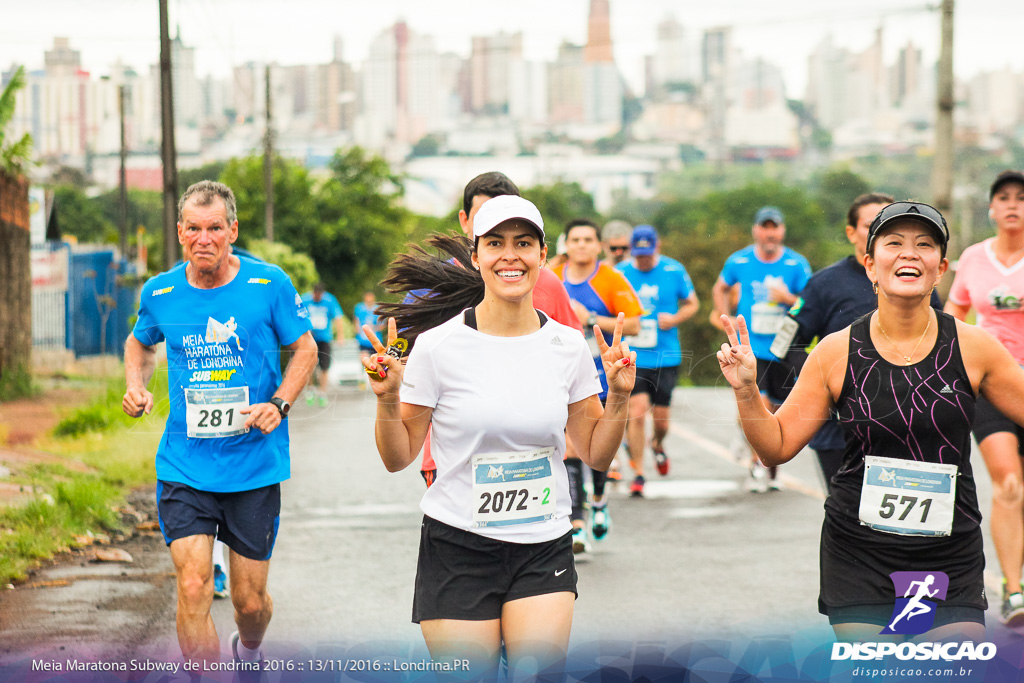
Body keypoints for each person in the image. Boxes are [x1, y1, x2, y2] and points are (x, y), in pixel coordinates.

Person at [718, 200, 1024, 642]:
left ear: (940, 269)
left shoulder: (976, 348)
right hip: (859, 551)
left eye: (924, 245)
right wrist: (747, 390)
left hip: (948, 550)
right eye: (893, 243)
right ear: (870, 265)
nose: (908, 253)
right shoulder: (835, 351)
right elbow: (776, 446)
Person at [363, 194, 634, 678]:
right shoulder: (437, 347)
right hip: (457, 545)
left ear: (543, 256)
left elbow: (595, 452)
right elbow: (397, 456)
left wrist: (617, 397)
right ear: (476, 256)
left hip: (543, 542)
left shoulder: (567, 346)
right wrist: (387, 400)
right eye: (495, 243)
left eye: (523, 243)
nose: (510, 256)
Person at [121, 181, 317, 667]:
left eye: (214, 228)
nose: (203, 239)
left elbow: (306, 349)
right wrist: (136, 385)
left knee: (250, 604)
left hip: (253, 465)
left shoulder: (267, 284)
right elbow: (140, 342)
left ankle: (249, 650)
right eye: (193, 229)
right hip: (185, 464)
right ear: (181, 232)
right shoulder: (161, 291)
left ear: (232, 230)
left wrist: (280, 403)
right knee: (193, 585)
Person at [399, 172, 583, 488]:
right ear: (466, 222)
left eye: (517, 236)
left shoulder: (546, 283)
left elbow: (573, 364)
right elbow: (405, 369)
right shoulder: (432, 287)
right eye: (489, 225)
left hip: (532, 457)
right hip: (454, 457)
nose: (508, 254)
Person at [770, 194, 944, 493]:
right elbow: (785, 345)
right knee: (851, 519)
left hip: (906, 426)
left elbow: (942, 348)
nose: (878, 233)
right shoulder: (824, 284)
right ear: (851, 232)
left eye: (887, 228)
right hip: (839, 433)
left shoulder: (918, 283)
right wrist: (827, 389)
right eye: (869, 226)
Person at [945, 170, 1024, 626]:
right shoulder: (974, 258)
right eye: (1003, 198)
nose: (1012, 205)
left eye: (1020, 198)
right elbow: (955, 310)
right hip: (992, 385)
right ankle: (1013, 590)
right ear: (991, 208)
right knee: (1008, 481)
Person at [552, 218, 642, 548]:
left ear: (598, 245)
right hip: (562, 372)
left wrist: (589, 319)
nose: (581, 245)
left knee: (597, 442)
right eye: (575, 239)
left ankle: (600, 500)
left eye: (588, 239)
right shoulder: (551, 277)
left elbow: (633, 324)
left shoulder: (610, 279)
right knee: (571, 444)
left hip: (603, 373)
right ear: (566, 244)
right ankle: (576, 521)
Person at [711, 206, 811, 492]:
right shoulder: (739, 260)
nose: (769, 233)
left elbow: (809, 303)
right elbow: (720, 288)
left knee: (778, 411)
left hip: (783, 347)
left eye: (774, 227)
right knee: (760, 405)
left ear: (782, 231)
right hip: (750, 348)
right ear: (756, 230)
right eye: (764, 227)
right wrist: (724, 317)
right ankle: (758, 464)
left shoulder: (796, 264)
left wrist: (788, 298)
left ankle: (771, 467)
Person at [616, 225, 699, 482]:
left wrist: (675, 318)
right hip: (634, 355)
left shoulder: (674, 271)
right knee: (637, 411)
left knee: (662, 422)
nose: (643, 260)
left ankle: (657, 444)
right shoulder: (620, 273)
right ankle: (638, 473)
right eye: (639, 255)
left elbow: (692, 303)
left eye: (648, 254)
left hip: (666, 355)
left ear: (658, 247)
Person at [301, 282, 345, 407]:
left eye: (320, 295)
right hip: (309, 338)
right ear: (312, 292)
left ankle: (322, 392)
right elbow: (297, 316)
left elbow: (338, 317)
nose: (317, 297)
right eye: (316, 295)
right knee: (310, 364)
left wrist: (340, 335)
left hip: (325, 338)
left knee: (324, 366)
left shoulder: (330, 300)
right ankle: (311, 388)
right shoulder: (305, 299)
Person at [353, 290, 382, 360]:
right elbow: (356, 320)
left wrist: (374, 328)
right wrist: (357, 329)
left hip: (375, 339)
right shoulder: (359, 308)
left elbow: (382, 325)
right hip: (363, 339)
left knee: (375, 360)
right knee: (364, 358)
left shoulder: (378, 309)